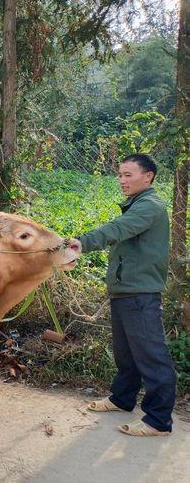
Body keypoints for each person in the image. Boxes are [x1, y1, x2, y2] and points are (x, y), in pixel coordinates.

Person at [72, 153, 175, 437]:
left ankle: (158, 420)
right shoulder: (136, 205)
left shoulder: (149, 206)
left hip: (140, 294)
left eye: (128, 175)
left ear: (148, 176)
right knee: (126, 355)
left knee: (152, 356)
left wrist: (82, 242)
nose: (122, 181)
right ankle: (122, 399)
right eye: (120, 175)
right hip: (125, 292)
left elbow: (117, 230)